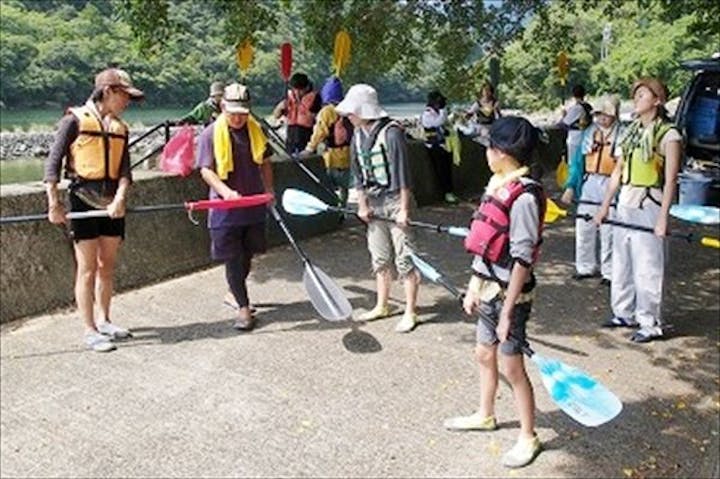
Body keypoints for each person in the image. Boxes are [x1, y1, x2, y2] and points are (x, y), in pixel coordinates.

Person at [444, 116, 545, 469]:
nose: (486, 153)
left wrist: (506, 313)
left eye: (489, 147)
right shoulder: (498, 184)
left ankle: (528, 436)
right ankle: (486, 414)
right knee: (483, 355)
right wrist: (474, 288)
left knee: (512, 367)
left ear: (501, 153)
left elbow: (522, 260)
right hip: (487, 288)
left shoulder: (524, 198)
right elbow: (484, 247)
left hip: (511, 297)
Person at [44, 68, 143, 352]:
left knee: (107, 266)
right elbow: (52, 166)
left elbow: (125, 171)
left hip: (111, 203)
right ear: (108, 92)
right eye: (124, 95)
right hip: (82, 200)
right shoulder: (73, 121)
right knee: (87, 268)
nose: (127, 102)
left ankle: (105, 319)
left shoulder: (120, 128)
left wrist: (120, 199)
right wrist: (54, 203)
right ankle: (89, 329)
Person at [594, 78, 682, 343]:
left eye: (643, 94)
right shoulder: (630, 133)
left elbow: (670, 180)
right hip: (626, 201)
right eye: (636, 94)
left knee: (647, 265)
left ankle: (649, 321)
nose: (638, 98)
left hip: (650, 203)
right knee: (622, 261)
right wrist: (605, 205)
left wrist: (664, 217)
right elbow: (618, 171)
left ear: (657, 101)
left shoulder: (669, 134)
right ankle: (623, 311)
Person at [335, 84, 421, 333]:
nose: (348, 116)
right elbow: (357, 176)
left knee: (405, 258)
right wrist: (361, 205)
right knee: (380, 257)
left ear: (364, 110)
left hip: (395, 201)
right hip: (373, 203)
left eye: (352, 111)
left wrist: (404, 210)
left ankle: (410, 310)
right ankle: (382, 304)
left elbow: (403, 175)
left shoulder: (392, 133)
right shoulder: (358, 135)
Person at [197, 83, 275, 331]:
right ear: (222, 107)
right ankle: (243, 308)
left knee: (248, 254)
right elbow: (206, 170)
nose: (238, 118)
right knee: (232, 257)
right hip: (225, 209)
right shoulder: (210, 134)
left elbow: (265, 162)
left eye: (243, 112)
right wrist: (226, 192)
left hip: (252, 205)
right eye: (233, 112)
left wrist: (269, 190)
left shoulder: (256, 131)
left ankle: (233, 292)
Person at [561, 95, 622, 285]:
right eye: (599, 114)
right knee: (584, 225)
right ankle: (585, 266)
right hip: (590, 182)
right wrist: (571, 186)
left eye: (607, 114)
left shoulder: (623, 135)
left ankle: (610, 271)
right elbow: (577, 163)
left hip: (611, 182)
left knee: (609, 229)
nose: (602, 118)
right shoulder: (589, 133)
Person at [298, 76, 353, 209]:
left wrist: (309, 149)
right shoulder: (348, 109)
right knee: (344, 189)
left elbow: (319, 133)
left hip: (332, 157)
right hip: (349, 156)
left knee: (330, 187)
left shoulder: (327, 112)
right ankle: (343, 209)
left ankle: (334, 211)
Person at [421, 90, 459, 204]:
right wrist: (443, 111)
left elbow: (445, 125)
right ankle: (446, 192)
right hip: (434, 147)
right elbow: (438, 123)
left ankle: (450, 191)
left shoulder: (438, 112)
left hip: (444, 145)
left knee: (447, 169)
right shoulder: (427, 114)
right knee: (441, 170)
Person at [272, 72, 322, 154]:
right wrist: (280, 107)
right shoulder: (288, 97)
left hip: (306, 136)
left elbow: (318, 119)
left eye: (300, 90)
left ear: (307, 87)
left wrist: (306, 111)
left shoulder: (315, 98)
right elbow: (276, 115)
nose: (297, 93)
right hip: (291, 137)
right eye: (295, 89)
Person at [557, 84, 593, 167]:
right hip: (587, 136)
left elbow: (564, 124)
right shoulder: (588, 106)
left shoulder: (577, 108)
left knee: (574, 162)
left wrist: (563, 115)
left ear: (573, 95)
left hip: (575, 138)